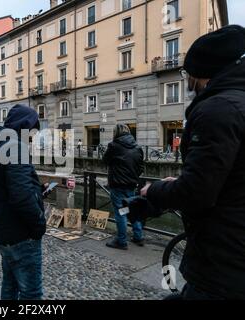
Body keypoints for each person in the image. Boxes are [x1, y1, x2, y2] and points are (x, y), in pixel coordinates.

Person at [141, 25, 245, 300]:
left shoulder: (219, 109)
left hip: (224, 264)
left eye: (187, 75)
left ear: (202, 75)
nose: (187, 83)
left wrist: (155, 191)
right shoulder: (237, 103)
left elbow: (198, 191)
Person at [0, 104, 46, 300]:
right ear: (25, 125)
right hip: (20, 233)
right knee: (31, 292)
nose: (34, 134)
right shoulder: (15, 146)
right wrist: (39, 223)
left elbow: (4, 185)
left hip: (3, 228)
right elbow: (21, 195)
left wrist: (36, 188)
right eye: (34, 129)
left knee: (10, 285)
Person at [102, 124, 144, 250]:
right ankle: (138, 236)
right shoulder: (137, 147)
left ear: (116, 133)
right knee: (131, 209)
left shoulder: (114, 146)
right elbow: (141, 167)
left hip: (118, 184)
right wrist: (133, 177)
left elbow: (105, 160)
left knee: (121, 212)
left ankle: (121, 240)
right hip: (132, 185)